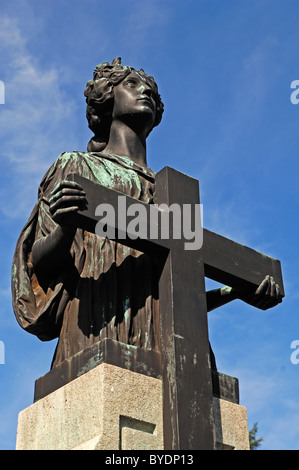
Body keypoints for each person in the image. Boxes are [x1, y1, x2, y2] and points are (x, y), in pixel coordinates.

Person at [11, 58, 282, 370]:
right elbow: (38, 263)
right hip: (100, 327)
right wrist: (66, 227)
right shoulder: (78, 167)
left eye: (152, 91)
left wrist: (234, 291)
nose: (146, 92)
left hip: (175, 354)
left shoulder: (173, 195)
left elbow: (175, 296)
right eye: (133, 84)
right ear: (106, 97)